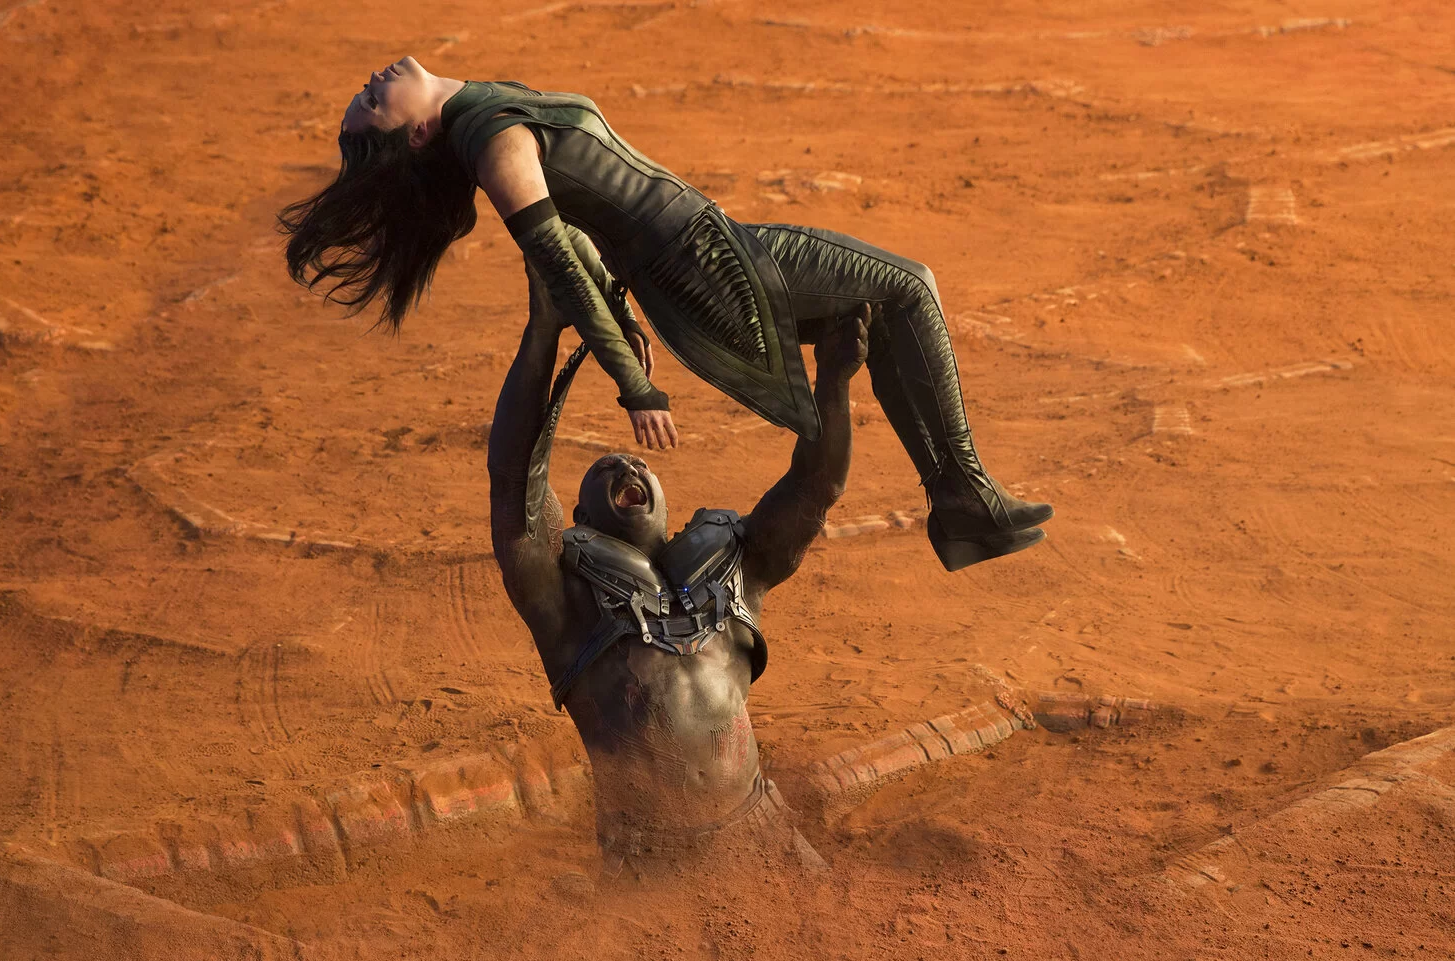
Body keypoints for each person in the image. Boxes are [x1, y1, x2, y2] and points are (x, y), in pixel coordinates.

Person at [280, 57, 1052, 571]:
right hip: (709, 266)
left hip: (711, 246)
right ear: (419, 133)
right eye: (374, 102)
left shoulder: (487, 113)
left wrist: (622, 314)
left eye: (366, 92)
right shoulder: (492, 140)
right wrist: (633, 382)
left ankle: (957, 500)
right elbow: (557, 263)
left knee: (883, 310)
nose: (374, 82)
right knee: (910, 285)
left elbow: (579, 232)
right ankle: (965, 494)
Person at [485, 244, 864, 876]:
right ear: (580, 520)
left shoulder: (735, 566)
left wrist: (835, 381)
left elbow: (816, 485)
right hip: (654, 861)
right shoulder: (564, 599)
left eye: (638, 464)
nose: (627, 464)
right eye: (606, 470)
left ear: (666, 507)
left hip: (766, 832)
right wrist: (544, 332)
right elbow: (513, 484)